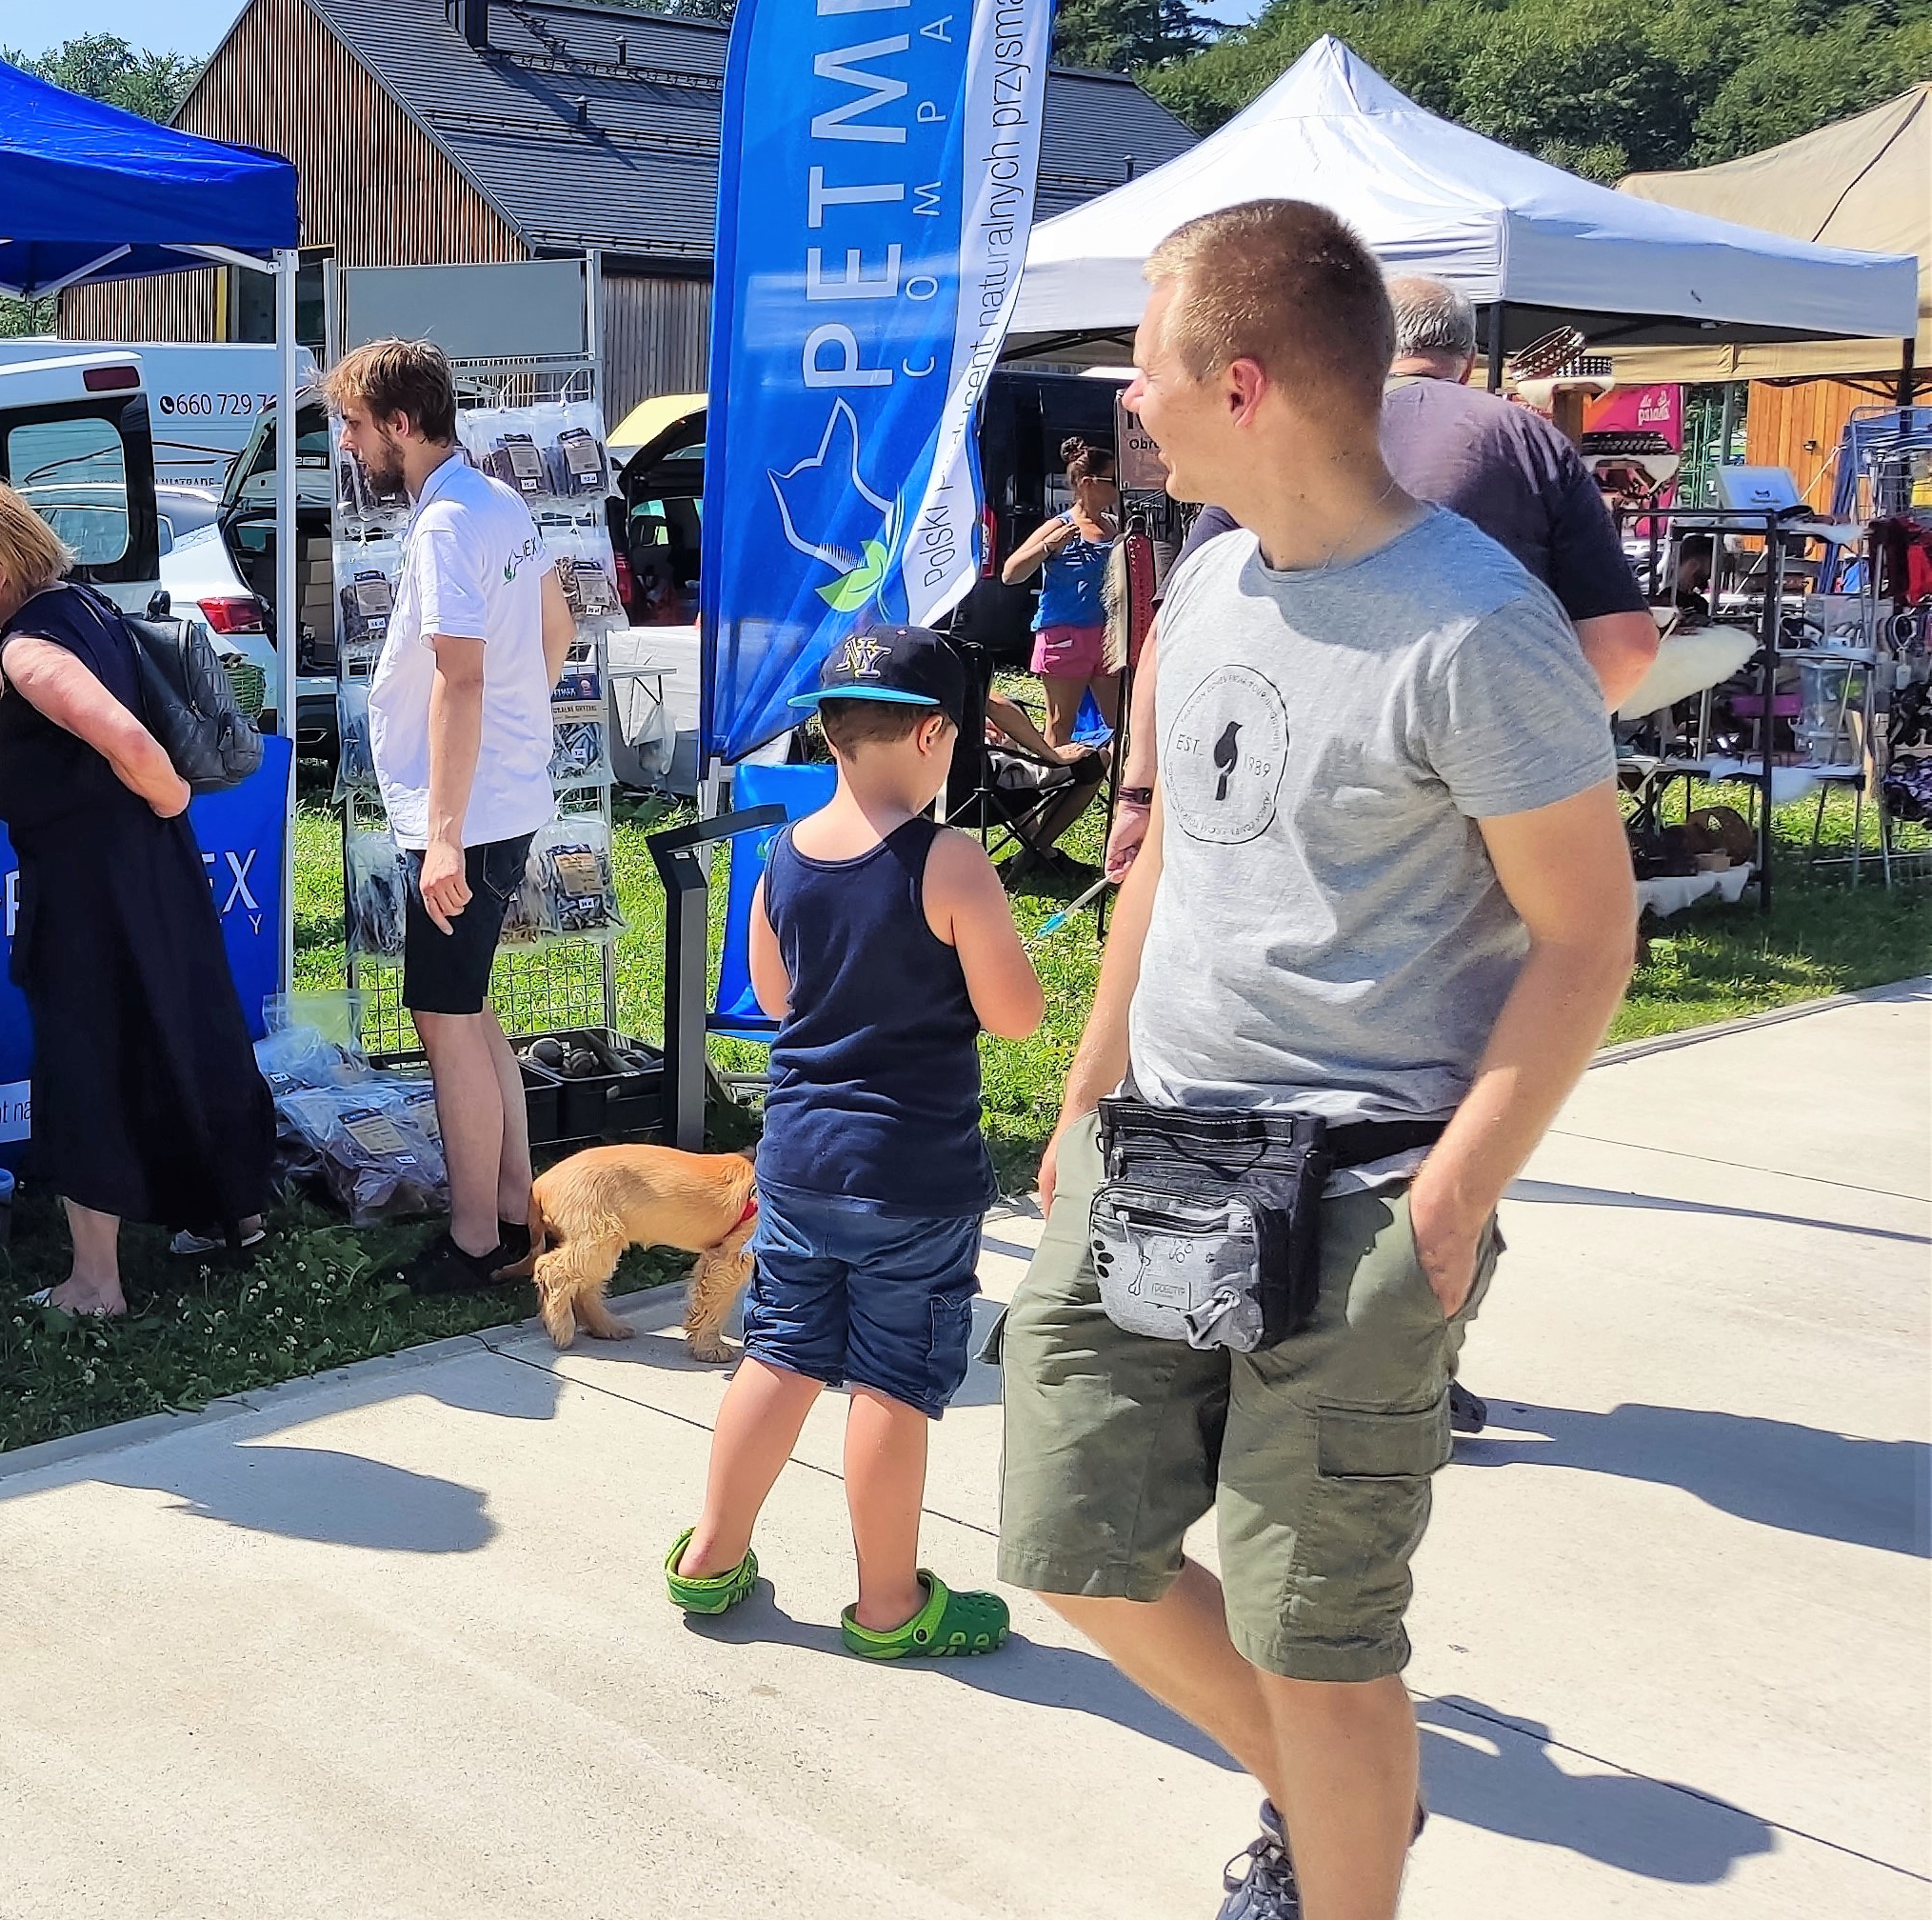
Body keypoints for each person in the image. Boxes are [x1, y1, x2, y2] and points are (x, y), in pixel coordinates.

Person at [1000, 200, 1633, 1920]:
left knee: (1316, 1631)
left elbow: (1587, 936)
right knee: (1072, 1542)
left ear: (1246, 384)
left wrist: (1452, 1199)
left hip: (1364, 1190)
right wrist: (1084, 1092)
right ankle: (1330, 1802)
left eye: (1151, 363)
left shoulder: (1474, 629)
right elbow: (1170, 860)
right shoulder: (1205, 574)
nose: (1127, 400)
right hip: (1159, 1151)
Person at [1109, 273, 1660, 1437]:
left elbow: (1172, 658)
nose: (1131, 396)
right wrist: (1509, 758)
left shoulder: (1263, 479)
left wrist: (1145, 786)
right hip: (1358, 1067)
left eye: (1146, 369)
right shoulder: (1512, 438)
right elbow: (1620, 647)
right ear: (1460, 355)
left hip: (1257, 1085)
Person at [663, 624, 1046, 1654]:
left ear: (829, 735)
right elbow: (1015, 1016)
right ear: (932, 736)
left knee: (780, 1353)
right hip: (911, 1176)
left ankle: (710, 1556)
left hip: (798, 1161)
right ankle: (887, 1605)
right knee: (889, 1382)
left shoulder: (783, 855)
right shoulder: (949, 859)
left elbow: (774, 993)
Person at [0, 481, 276, 1313]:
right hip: (148, 861)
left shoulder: (27, 648)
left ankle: (94, 1280)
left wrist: (169, 794)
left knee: (84, 1060)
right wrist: (161, 813)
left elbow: (129, 741)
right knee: (188, 1024)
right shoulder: (86, 606)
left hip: (86, 879)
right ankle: (234, 1214)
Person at [329, 337, 574, 1293]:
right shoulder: (495, 497)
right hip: (493, 798)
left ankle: (477, 1239)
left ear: (400, 422)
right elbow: (556, 626)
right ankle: (513, 1210)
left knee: (443, 1017)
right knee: (469, 1011)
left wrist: (441, 836)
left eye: (354, 424)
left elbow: (459, 678)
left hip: (464, 816)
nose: (346, 444)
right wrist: (520, 733)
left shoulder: (442, 525)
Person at [1001, 441, 1125, 748]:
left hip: (1107, 636)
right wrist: (1049, 546)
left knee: (1121, 724)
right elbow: (1010, 573)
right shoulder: (1060, 526)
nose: (1119, 488)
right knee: (1060, 726)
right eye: (1113, 480)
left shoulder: (1114, 526)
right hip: (1065, 636)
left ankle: (1113, 776)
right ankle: (1053, 776)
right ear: (1088, 483)